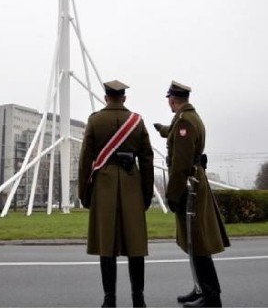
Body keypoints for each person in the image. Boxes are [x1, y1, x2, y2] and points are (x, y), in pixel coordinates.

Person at [79, 80, 154, 308]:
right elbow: (147, 160)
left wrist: (85, 192)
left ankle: (109, 299)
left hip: (104, 185)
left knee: (107, 244)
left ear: (105, 97)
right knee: (136, 245)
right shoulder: (137, 121)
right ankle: (138, 298)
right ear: (124, 98)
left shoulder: (95, 120)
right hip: (132, 183)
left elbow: (85, 160)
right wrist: (146, 193)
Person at [160, 81, 229, 307]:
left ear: (172, 100)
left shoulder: (185, 121)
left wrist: (172, 194)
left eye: (169, 101)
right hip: (193, 182)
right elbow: (178, 135)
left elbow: (181, 161)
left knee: (197, 242)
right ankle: (201, 288)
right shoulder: (188, 117)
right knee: (193, 242)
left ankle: (211, 296)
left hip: (190, 186)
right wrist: (163, 129)